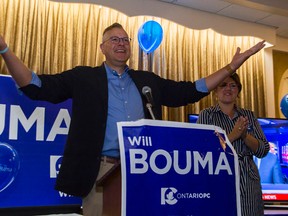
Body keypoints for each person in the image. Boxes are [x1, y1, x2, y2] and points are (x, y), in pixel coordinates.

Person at [0, 22, 265, 216]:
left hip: (144, 170)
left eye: (125, 39)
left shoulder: (147, 81)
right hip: (101, 171)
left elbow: (190, 90)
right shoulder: (84, 77)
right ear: (103, 47)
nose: (121, 43)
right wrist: (5, 49)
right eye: (114, 39)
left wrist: (231, 67)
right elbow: (35, 86)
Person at [196, 73, 270, 216]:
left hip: (248, 182)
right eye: (223, 85)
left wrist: (244, 136)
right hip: (219, 179)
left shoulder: (248, 115)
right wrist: (233, 135)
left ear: (238, 91)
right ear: (215, 91)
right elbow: (203, 151)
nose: (228, 89)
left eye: (233, 85)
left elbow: (263, 150)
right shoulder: (207, 115)